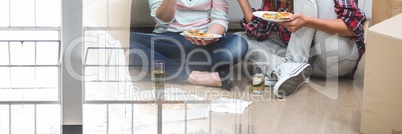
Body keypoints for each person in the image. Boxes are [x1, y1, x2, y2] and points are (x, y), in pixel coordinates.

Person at [236, 0, 366, 98]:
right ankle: (287, 68)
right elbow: (259, 31)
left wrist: (308, 21)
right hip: (309, 63)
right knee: (238, 41)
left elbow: (354, 28)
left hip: (337, 57)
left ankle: (289, 65)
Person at [129, 0, 248, 90]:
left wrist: (209, 37)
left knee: (238, 44)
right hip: (167, 40)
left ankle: (159, 63)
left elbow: (220, 19)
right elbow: (162, 21)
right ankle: (192, 75)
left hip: (202, 44)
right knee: (122, 41)